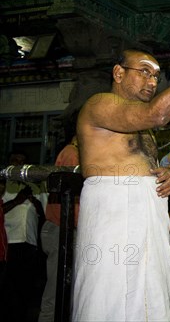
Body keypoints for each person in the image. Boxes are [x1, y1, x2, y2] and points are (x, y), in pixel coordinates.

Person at [72, 48, 170, 321]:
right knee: (111, 294)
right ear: (118, 73)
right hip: (114, 212)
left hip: (147, 214)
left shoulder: (143, 127)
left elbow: (140, 161)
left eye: (156, 75)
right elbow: (157, 114)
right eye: (144, 71)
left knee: (152, 294)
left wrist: (165, 175)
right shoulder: (100, 104)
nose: (152, 82)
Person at [0, 151, 47, 322]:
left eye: (22, 161)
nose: (19, 165)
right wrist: (18, 201)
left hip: (30, 244)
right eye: (15, 161)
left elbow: (45, 216)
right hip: (9, 245)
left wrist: (35, 203)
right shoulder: (4, 186)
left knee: (26, 290)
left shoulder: (36, 186)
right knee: (8, 291)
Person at [38, 134, 79, 322]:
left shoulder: (74, 152)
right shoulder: (72, 153)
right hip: (60, 229)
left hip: (63, 229)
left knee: (65, 292)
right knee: (56, 292)